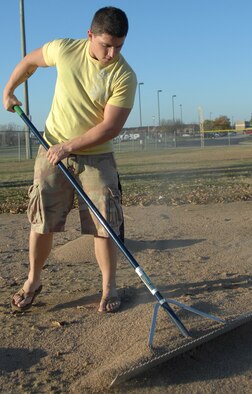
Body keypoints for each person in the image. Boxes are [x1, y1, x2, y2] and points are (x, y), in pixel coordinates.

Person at [3, 6, 137, 313]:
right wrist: (9, 90)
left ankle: (108, 287)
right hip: (50, 148)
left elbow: (110, 127)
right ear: (90, 35)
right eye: (106, 45)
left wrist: (69, 146)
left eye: (119, 46)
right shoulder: (64, 49)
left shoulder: (125, 75)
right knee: (42, 221)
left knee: (105, 224)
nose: (112, 53)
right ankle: (33, 281)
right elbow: (29, 62)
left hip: (96, 157)